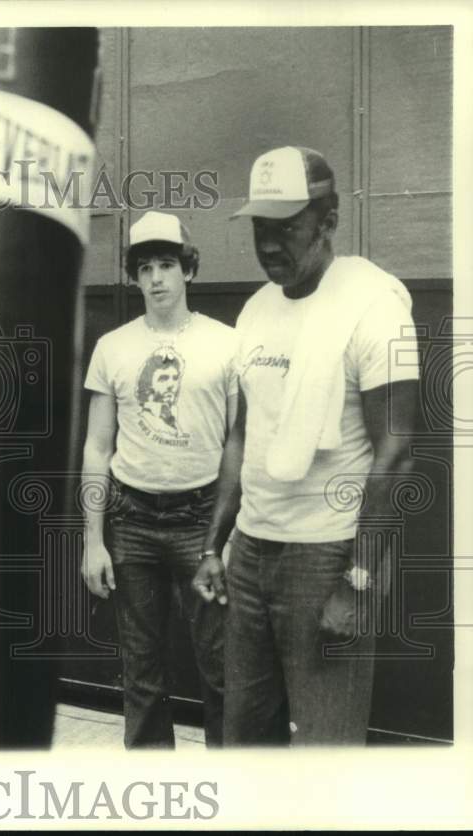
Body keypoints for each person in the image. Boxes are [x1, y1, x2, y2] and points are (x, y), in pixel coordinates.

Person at [193, 146, 419, 745]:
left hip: (326, 558)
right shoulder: (254, 311)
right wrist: (215, 545)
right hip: (251, 556)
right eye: (260, 228)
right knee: (246, 743)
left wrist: (360, 579)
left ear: (329, 220)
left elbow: (396, 454)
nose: (269, 244)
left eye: (286, 227)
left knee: (325, 750)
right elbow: (242, 435)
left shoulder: (374, 307)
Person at [81, 210, 239, 748]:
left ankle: (230, 794)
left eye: (167, 264)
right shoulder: (113, 346)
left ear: (188, 269)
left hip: (205, 525)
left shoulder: (228, 344)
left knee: (221, 667)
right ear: (134, 275)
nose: (156, 278)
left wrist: (231, 535)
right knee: (142, 671)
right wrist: (92, 540)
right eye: (144, 266)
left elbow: (243, 447)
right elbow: (98, 446)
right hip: (132, 520)